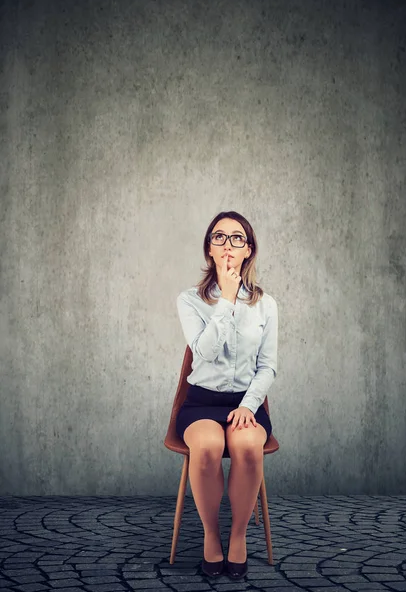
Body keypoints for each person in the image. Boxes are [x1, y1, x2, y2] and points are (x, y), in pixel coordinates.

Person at [175, 210, 278, 580]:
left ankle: (237, 537)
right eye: (219, 237)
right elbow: (202, 352)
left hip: (245, 404)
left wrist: (249, 406)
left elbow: (267, 367)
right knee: (205, 449)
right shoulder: (190, 300)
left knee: (248, 448)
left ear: (248, 250)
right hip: (202, 402)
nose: (228, 244)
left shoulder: (267, 305)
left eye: (238, 238)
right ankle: (210, 536)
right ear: (209, 251)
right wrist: (228, 300)